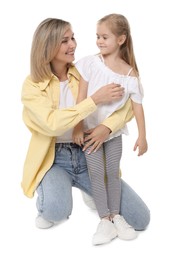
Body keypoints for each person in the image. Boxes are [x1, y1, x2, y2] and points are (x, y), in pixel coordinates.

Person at [21, 18, 150, 241]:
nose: (73, 45)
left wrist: (106, 128)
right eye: (64, 41)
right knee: (54, 212)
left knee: (140, 219)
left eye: (73, 38)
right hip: (55, 158)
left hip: (89, 148)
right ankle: (53, 191)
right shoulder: (32, 85)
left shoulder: (85, 69)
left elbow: (127, 105)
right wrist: (94, 100)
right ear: (47, 46)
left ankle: (90, 192)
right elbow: (52, 123)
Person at [73, 13, 148, 245]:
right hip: (89, 133)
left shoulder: (130, 75)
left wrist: (143, 136)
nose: (99, 41)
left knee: (112, 173)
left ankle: (116, 216)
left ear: (121, 39)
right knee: (96, 174)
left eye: (105, 37)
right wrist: (77, 127)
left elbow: (137, 107)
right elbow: (80, 98)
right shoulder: (89, 63)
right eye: (97, 36)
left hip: (113, 135)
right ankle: (104, 220)